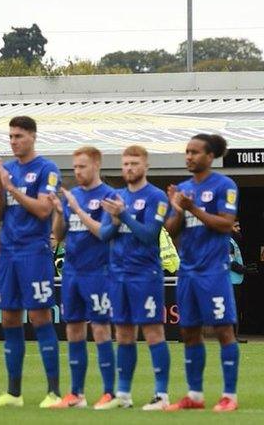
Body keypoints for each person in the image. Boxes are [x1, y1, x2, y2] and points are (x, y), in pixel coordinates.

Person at [0, 116, 62, 409]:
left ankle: (53, 392)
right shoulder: (9, 170)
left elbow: (44, 210)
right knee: (9, 318)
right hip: (8, 253)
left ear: (32, 136)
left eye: (19, 136)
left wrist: (12, 187)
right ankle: (13, 393)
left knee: (40, 317)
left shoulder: (46, 169)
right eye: (11, 136)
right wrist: (1, 186)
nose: (13, 141)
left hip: (34, 252)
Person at [163, 134, 240, 412]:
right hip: (188, 272)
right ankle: (194, 396)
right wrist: (176, 209)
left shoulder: (224, 185)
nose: (189, 156)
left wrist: (191, 207)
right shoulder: (183, 188)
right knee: (189, 332)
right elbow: (171, 231)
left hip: (214, 272)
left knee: (222, 330)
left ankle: (229, 396)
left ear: (210, 156)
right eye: (186, 152)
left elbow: (225, 224)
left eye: (195, 152)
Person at [97, 145, 172, 411]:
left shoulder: (157, 197)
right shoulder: (115, 195)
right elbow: (104, 235)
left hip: (145, 274)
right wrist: (115, 221)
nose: (129, 168)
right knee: (124, 334)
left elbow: (150, 235)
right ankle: (124, 394)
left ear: (146, 166)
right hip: (118, 275)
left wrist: (123, 215)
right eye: (125, 164)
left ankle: (162, 395)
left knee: (153, 332)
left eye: (134, 164)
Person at [48, 146, 118, 409]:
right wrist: (58, 211)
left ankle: (109, 393)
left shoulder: (109, 196)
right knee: (73, 329)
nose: (77, 171)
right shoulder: (72, 195)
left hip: (98, 272)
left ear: (97, 165)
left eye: (82, 166)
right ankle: (76, 394)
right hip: (72, 273)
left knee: (100, 328)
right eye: (75, 167)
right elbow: (60, 234)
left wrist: (77, 209)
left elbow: (104, 233)